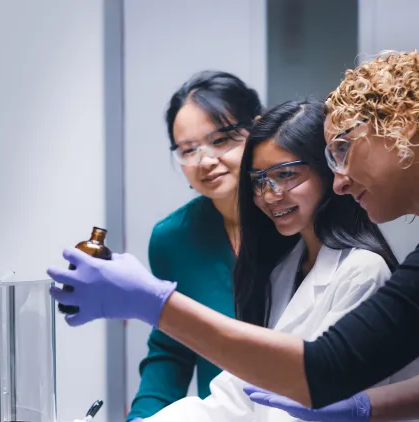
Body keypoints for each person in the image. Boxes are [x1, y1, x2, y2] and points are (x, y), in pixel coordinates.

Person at [48, 50, 419, 420]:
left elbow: (322, 369)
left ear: (403, 125)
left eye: (343, 151)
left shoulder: (379, 265)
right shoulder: (279, 259)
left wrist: (154, 302)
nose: (340, 180)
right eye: (186, 150)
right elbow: (238, 392)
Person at [119, 100, 419, 422]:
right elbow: (239, 392)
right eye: (259, 181)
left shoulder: (363, 271)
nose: (269, 194)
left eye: (286, 175)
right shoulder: (284, 267)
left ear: (328, 170)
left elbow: (308, 407)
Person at [126, 70, 294, 422]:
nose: (205, 161)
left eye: (222, 140)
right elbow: (170, 351)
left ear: (258, 131)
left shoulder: (293, 220)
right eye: (188, 150)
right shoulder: (173, 239)